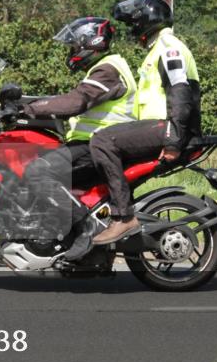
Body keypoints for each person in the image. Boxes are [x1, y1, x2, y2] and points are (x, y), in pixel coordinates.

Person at [89, 0, 201, 245]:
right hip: (158, 127)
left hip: (167, 128)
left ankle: (123, 217)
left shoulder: (169, 47)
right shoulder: (157, 49)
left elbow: (180, 92)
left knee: (102, 141)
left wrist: (174, 139)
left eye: (134, 23)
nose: (133, 29)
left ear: (148, 20)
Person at [16, 16, 137, 228]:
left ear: (89, 43)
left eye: (73, 46)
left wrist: (28, 110)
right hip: (94, 143)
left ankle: (83, 229)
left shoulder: (108, 70)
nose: (71, 52)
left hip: (99, 145)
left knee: (38, 171)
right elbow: (72, 98)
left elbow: (75, 102)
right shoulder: (102, 68)